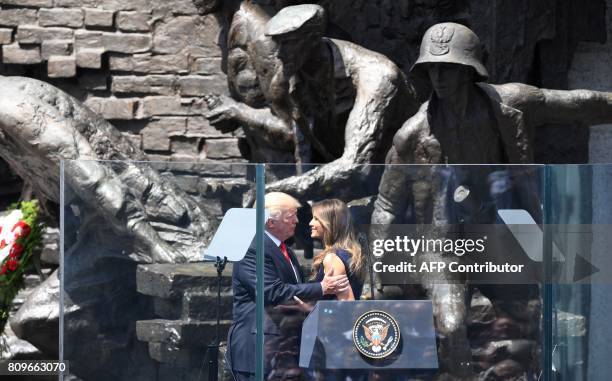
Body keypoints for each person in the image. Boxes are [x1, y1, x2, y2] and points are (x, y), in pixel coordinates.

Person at [371, 22, 612, 379]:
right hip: (444, 245)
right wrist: (374, 271)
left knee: (547, 307)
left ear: (469, 69)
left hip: (508, 226)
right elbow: (386, 205)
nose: (439, 77)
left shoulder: (507, 103)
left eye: (448, 67)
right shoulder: (412, 135)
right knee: (452, 327)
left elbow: (576, 103)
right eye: (432, 68)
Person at [205, 4, 422, 202]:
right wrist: (302, 202)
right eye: (277, 44)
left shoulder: (377, 75)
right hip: (347, 181)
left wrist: (278, 189)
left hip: (410, 178)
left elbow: (355, 164)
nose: (279, 54)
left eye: (288, 45)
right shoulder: (288, 74)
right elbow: (301, 139)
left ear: (313, 40)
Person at [226, 192, 350, 381]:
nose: (297, 221)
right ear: (270, 222)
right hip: (259, 351)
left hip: (283, 351)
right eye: (290, 216)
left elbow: (294, 291)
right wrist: (322, 288)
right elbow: (271, 292)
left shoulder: (286, 251)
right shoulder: (252, 249)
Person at [309, 199, 365, 301]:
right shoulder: (349, 253)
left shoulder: (332, 258)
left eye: (316, 219)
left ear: (330, 223)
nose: (310, 223)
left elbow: (347, 305)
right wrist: (307, 308)